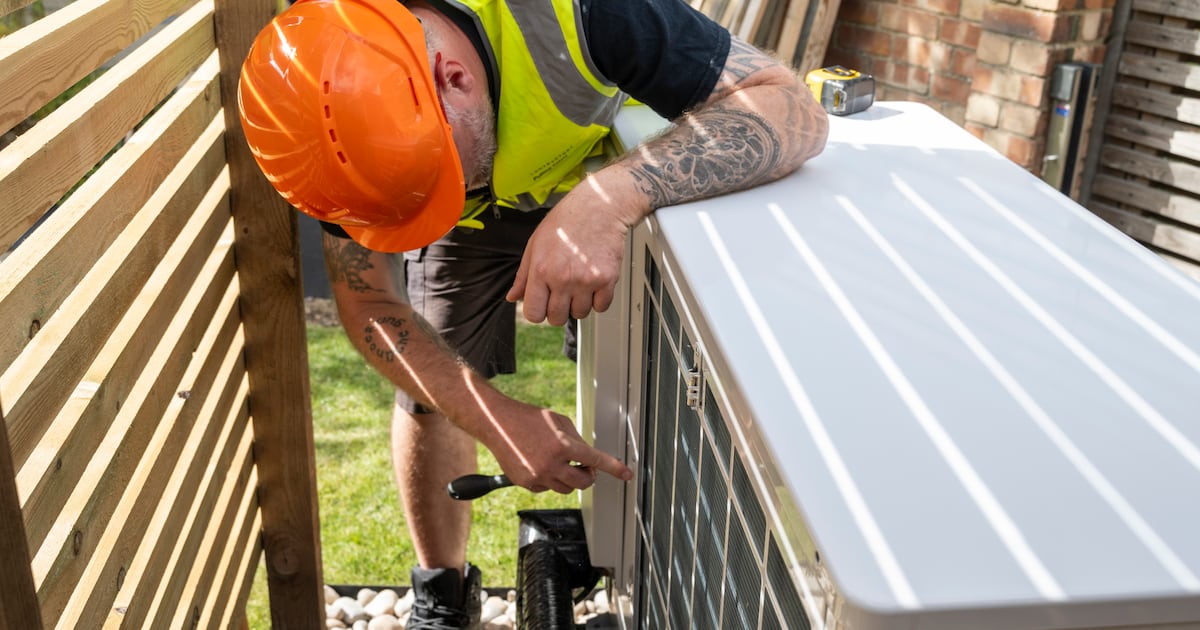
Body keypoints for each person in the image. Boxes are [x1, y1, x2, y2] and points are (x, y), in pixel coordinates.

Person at [239, 0, 828, 625]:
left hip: (610, 167)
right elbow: (373, 303)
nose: (427, 213)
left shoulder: (590, 12)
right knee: (429, 387)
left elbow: (790, 108)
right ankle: (441, 593)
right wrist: (495, 420)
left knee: (638, 370)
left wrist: (608, 196)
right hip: (484, 164)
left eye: (433, 182)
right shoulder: (332, 98)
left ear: (454, 78)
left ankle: (637, 568)